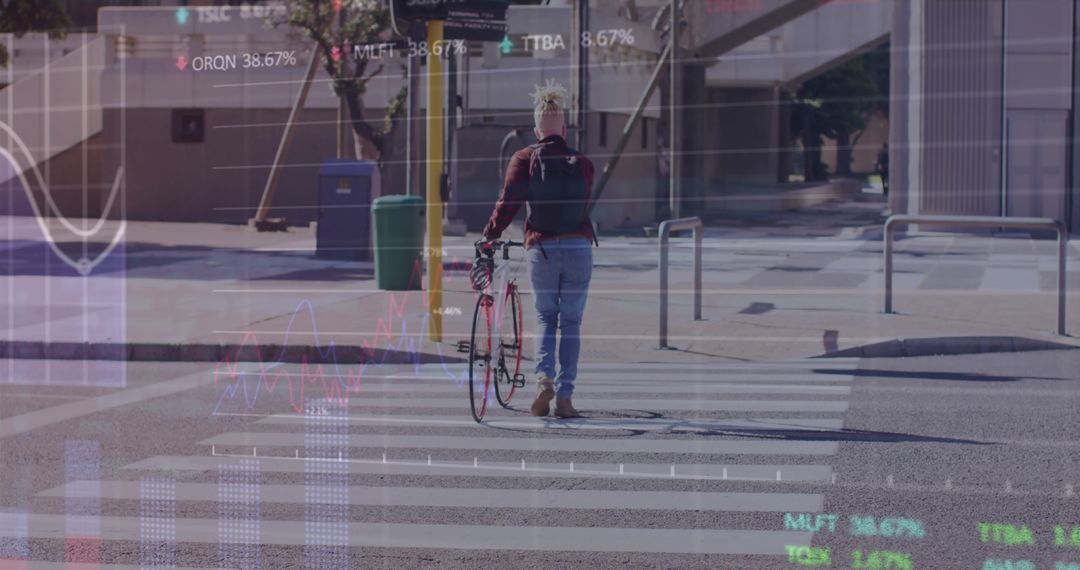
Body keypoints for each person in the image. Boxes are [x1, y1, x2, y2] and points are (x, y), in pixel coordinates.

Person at [480, 79, 597, 419]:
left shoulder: (524, 158)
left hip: (541, 248)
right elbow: (584, 204)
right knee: (571, 321)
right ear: (563, 127)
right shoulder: (583, 163)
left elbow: (508, 203)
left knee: (546, 316)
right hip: (578, 247)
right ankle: (565, 397)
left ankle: (543, 379)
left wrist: (490, 234)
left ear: (536, 130)